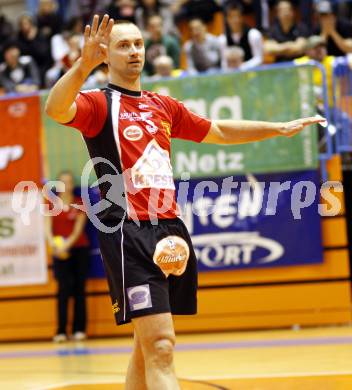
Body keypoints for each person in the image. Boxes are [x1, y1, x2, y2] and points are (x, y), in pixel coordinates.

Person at [45, 14, 324, 388]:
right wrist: (82, 66)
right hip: (129, 231)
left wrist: (276, 129)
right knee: (161, 345)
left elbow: (220, 130)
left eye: (139, 44)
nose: (134, 51)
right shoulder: (98, 105)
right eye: (123, 45)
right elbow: (56, 109)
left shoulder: (162, 105)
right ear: (106, 56)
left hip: (170, 229)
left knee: (146, 347)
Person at [45, 171, 90, 342]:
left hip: (79, 250)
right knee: (63, 290)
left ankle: (80, 329)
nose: (66, 185)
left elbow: (78, 230)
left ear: (73, 184)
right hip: (59, 252)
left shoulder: (79, 203)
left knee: (79, 289)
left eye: (69, 182)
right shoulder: (50, 203)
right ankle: (61, 331)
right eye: (62, 182)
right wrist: (54, 245)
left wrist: (66, 245)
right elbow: (47, 228)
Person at [218, 2, 263, 71]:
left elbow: (259, 59)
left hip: (252, 73)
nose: (235, 20)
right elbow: (224, 63)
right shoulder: (222, 39)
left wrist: (242, 67)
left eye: (238, 16)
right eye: (231, 17)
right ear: (227, 19)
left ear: (242, 17)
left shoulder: (253, 34)